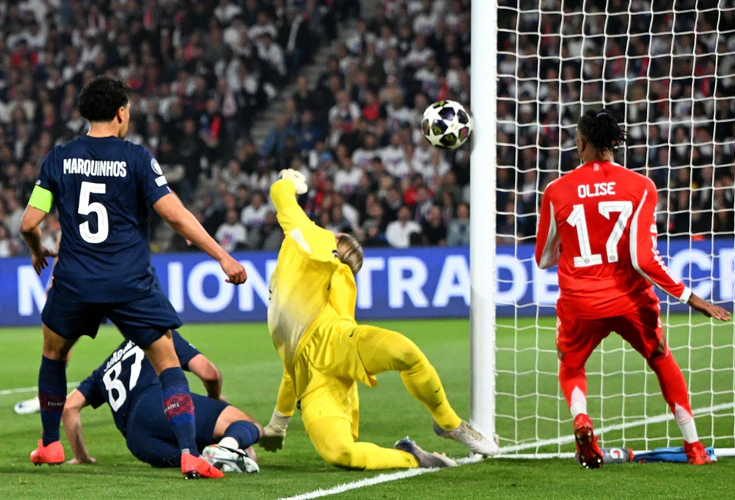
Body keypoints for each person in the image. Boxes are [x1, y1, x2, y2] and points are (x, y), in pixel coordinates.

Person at [19, 76, 247, 479]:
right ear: (121, 112)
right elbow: (174, 215)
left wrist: (39, 251)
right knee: (167, 364)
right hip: (129, 282)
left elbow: (28, 223)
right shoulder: (136, 158)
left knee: (53, 355)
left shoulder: (58, 158)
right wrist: (223, 257)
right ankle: (189, 454)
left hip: (75, 281)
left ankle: (50, 444)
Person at [258, 169, 498, 471]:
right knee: (340, 454)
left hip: (336, 340)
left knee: (405, 352)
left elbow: (280, 195)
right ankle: (413, 457)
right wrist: (278, 424)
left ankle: (448, 422)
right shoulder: (311, 237)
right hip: (312, 378)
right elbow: (291, 370)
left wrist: (289, 182)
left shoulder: (324, 268)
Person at [534, 110, 730, 469]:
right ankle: (694, 446)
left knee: (571, 365)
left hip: (580, 302)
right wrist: (690, 297)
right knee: (660, 358)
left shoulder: (555, 190)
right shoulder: (640, 186)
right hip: (630, 300)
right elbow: (643, 258)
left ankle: (582, 420)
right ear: (614, 142)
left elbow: (544, 258)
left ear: (581, 143)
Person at [62, 330, 261, 473]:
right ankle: (227, 446)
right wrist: (216, 399)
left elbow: (69, 407)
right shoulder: (157, 334)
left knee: (234, 454)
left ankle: (224, 449)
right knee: (248, 425)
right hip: (160, 407)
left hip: (138, 442)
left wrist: (82, 457)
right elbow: (209, 374)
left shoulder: (103, 370)